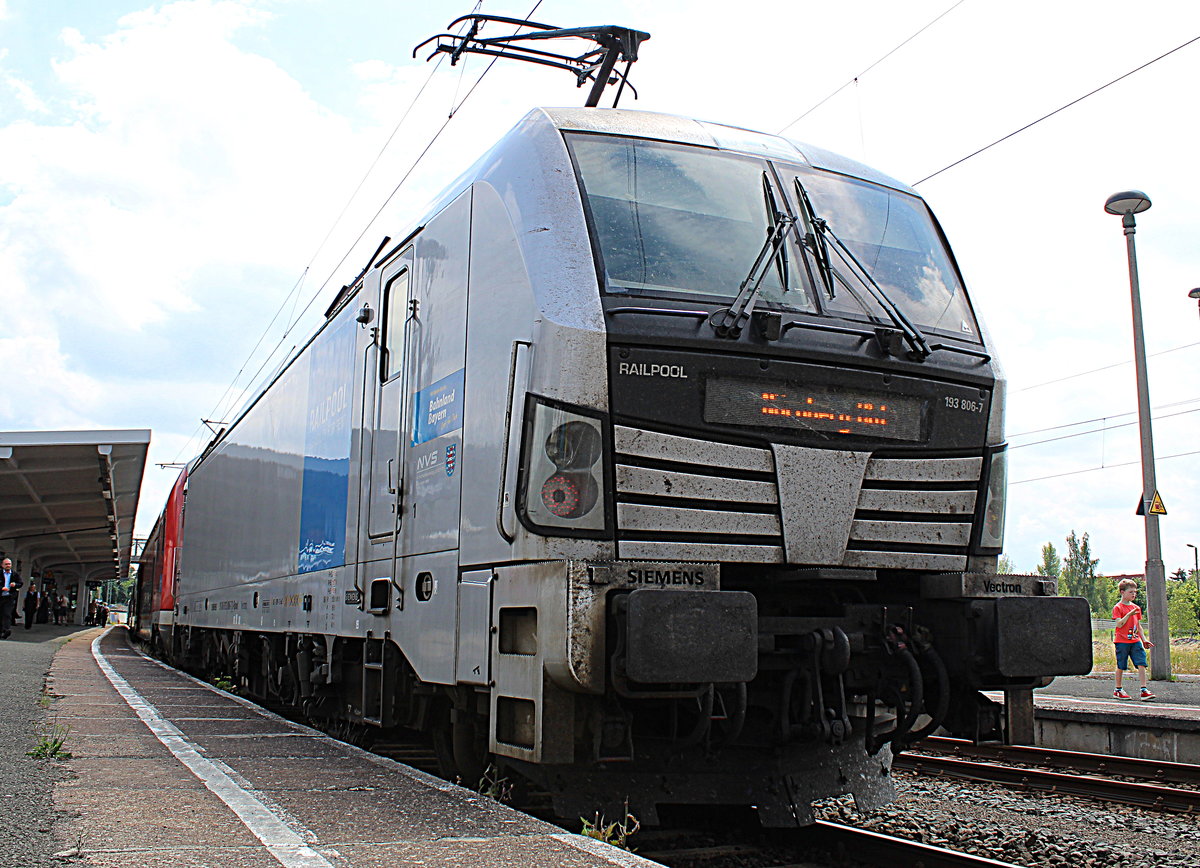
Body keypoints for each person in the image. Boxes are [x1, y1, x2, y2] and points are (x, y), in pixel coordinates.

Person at [1113, 578, 1155, 701]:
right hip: (1122, 641)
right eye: (1131, 592)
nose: (1133, 594)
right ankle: (1118, 689)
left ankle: (1143, 689)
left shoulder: (1136, 608)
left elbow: (1139, 626)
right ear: (1122, 592)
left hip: (1135, 640)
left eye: (1135, 592)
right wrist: (1129, 614)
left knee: (1141, 663)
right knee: (1121, 665)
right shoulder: (1118, 607)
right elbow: (1119, 624)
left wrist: (1144, 639)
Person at [0, 558, 23, 638]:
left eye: (9, 564)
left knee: (7, 614)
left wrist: (15, 584)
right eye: (6, 564)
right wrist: (2, 588)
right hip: (1, 596)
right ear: (2, 565)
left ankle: (6, 630)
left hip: (9, 597)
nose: (8, 566)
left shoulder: (14, 574)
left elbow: (20, 583)